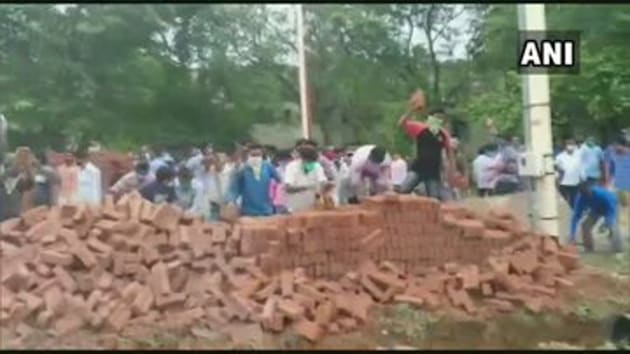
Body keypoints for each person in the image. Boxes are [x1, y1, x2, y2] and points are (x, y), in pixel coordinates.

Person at [397, 105, 455, 200]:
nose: (439, 120)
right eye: (436, 117)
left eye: (441, 118)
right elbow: (401, 124)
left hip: (433, 171)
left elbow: (450, 154)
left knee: (434, 198)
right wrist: (411, 110)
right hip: (418, 168)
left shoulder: (443, 134)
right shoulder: (420, 128)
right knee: (403, 190)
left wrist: (452, 172)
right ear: (430, 117)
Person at [569, 180, 623, 253]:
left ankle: (617, 248)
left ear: (590, 188)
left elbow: (611, 211)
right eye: (584, 193)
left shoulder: (601, 194)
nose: (586, 195)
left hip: (612, 205)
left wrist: (606, 223)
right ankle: (589, 248)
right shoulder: (581, 198)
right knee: (585, 226)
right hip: (596, 209)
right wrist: (572, 236)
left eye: (587, 193)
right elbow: (575, 217)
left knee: (612, 226)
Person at [227, 144, 281, 217]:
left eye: (258, 155)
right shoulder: (243, 169)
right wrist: (231, 201)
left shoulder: (267, 166)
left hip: (266, 210)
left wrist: (276, 198)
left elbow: (279, 181)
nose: (256, 157)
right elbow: (234, 187)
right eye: (253, 155)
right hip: (248, 212)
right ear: (248, 155)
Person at [284, 145, 330, 213]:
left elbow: (323, 182)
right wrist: (307, 187)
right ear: (301, 158)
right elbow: (288, 188)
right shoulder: (291, 167)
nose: (310, 164)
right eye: (307, 161)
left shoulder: (316, 166)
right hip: (296, 208)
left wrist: (326, 187)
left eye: (311, 161)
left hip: (314, 207)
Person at [191, 156, 224, 221]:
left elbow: (219, 169)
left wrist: (214, 161)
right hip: (206, 195)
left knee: (215, 210)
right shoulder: (201, 170)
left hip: (215, 195)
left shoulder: (214, 169)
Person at [554, 138, 582, 209]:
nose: (570, 146)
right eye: (568, 144)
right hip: (564, 183)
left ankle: (575, 212)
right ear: (565, 146)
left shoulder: (579, 154)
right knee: (565, 199)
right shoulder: (561, 156)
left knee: (574, 200)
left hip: (576, 182)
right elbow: (554, 165)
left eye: (572, 144)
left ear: (574, 145)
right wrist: (559, 170)